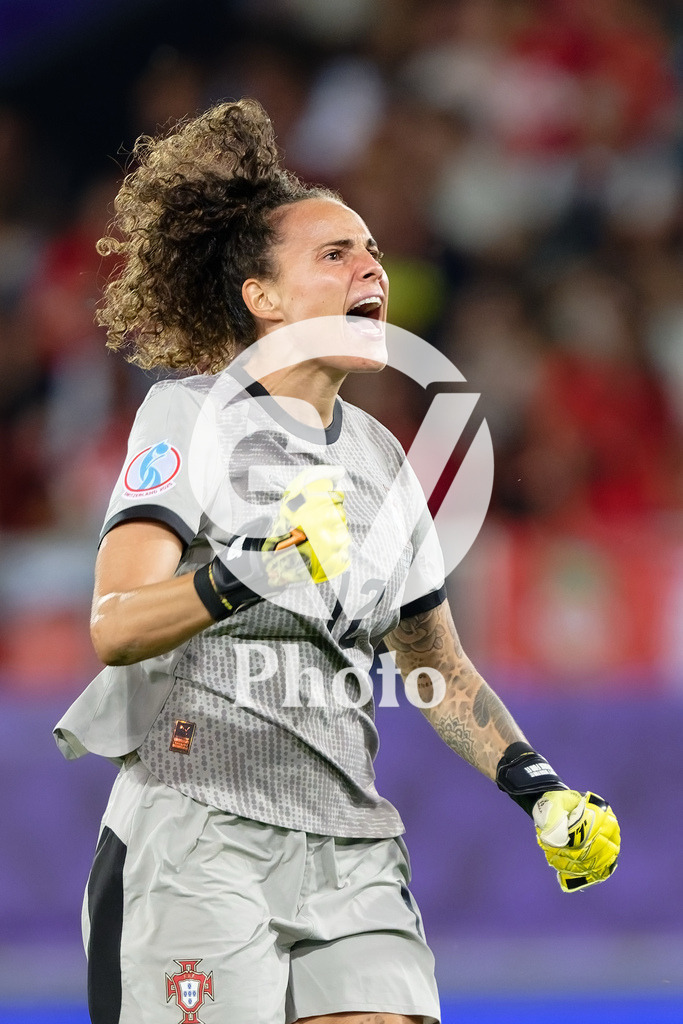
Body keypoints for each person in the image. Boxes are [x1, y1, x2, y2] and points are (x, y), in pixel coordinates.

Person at [54, 99, 620, 1024]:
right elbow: (115, 625)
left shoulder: (382, 462)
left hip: (349, 846)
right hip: (197, 840)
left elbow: (434, 670)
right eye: (335, 255)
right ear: (262, 298)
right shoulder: (190, 419)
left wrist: (540, 790)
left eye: (374, 255)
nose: (371, 269)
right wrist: (249, 569)